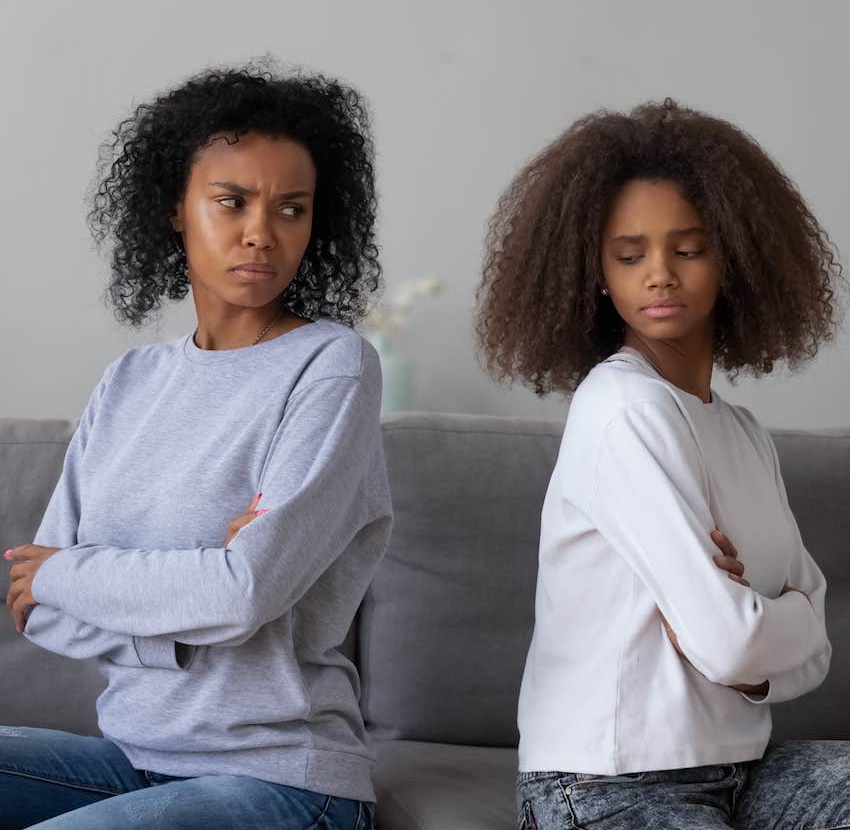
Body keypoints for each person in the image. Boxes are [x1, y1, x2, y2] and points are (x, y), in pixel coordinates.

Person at [2, 62, 391, 830]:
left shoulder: (332, 365)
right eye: (231, 201)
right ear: (176, 209)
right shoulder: (130, 380)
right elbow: (30, 597)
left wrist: (77, 574)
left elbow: (243, 591)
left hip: (285, 779)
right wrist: (188, 613)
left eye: (291, 208)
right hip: (133, 756)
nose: (261, 232)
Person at [476, 98, 846, 829]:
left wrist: (764, 624)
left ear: (734, 256)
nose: (660, 275)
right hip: (608, 781)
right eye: (630, 253)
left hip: (743, 766)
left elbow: (813, 645)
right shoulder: (622, 409)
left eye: (688, 248)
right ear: (597, 273)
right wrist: (775, 619)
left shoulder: (742, 432)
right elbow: (734, 639)